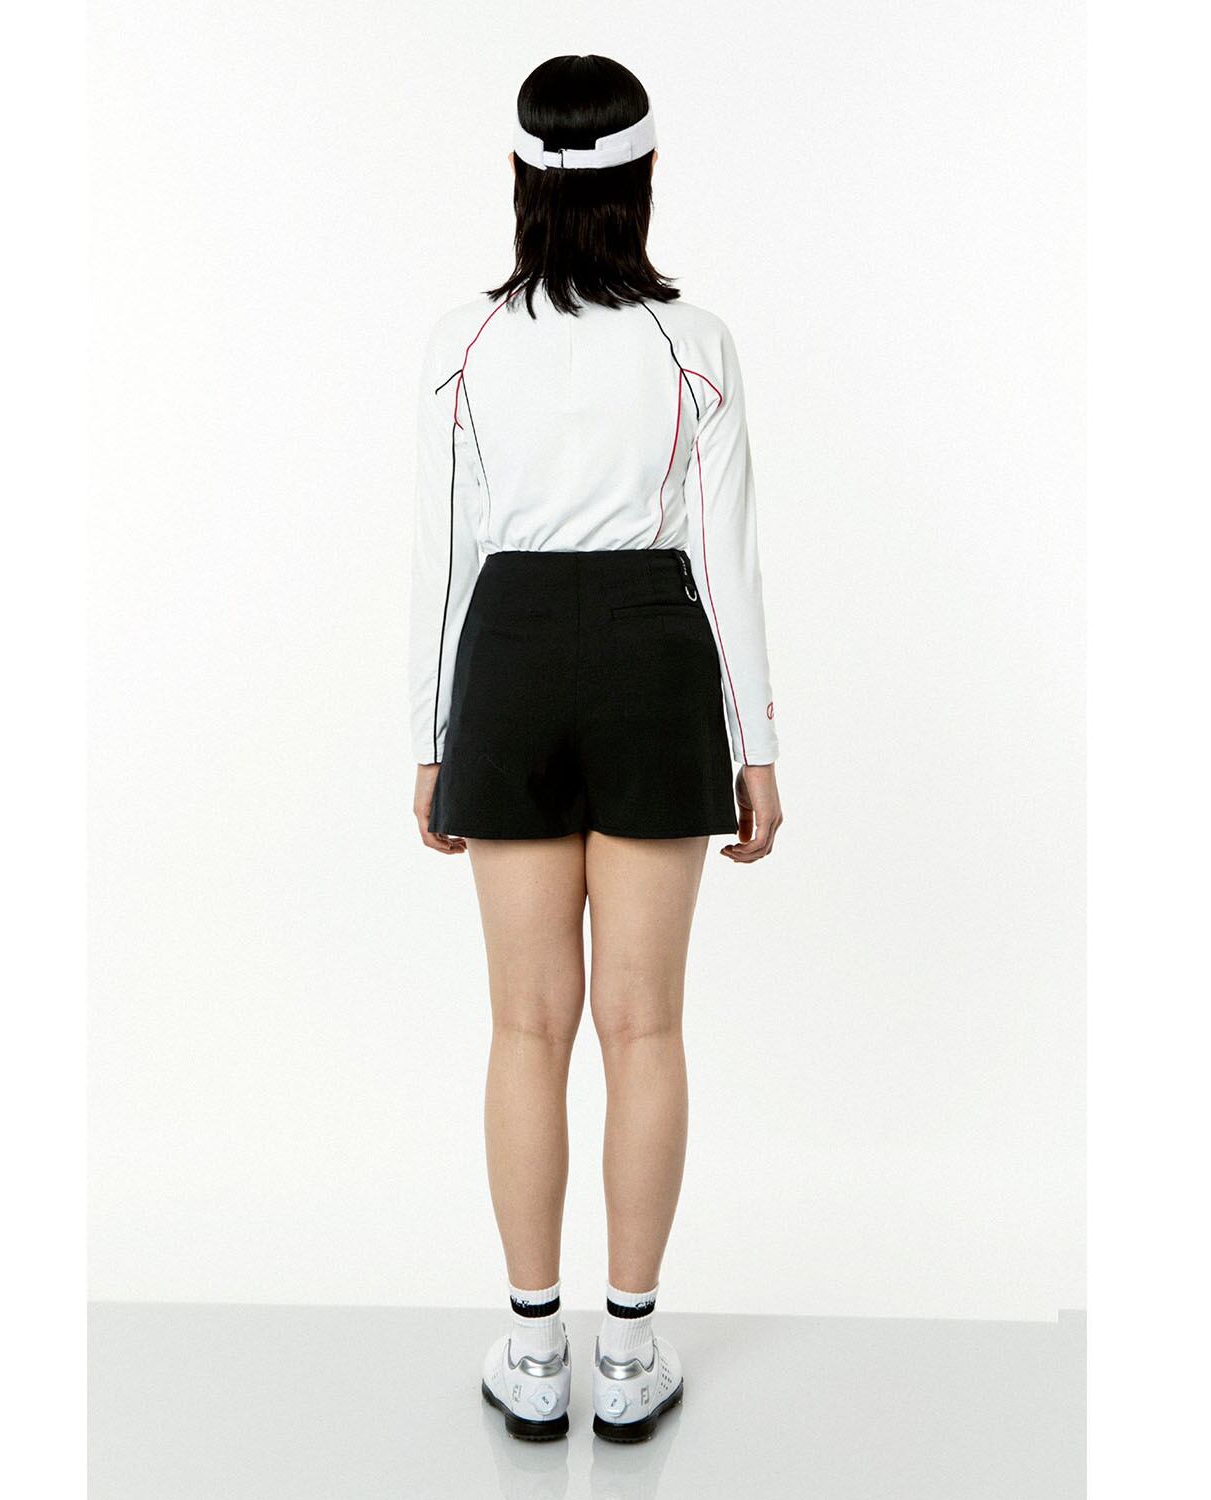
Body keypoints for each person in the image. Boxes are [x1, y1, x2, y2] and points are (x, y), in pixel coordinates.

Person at [407, 54, 783, 1443]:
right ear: (647, 177)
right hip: (651, 650)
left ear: (521, 178)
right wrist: (756, 742)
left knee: (525, 1024)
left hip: (506, 654)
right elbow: (727, 557)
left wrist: (431, 738)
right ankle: (627, 1354)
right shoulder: (698, 341)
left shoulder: (462, 340)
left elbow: (445, 556)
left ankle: (533, 1350)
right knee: (644, 1024)